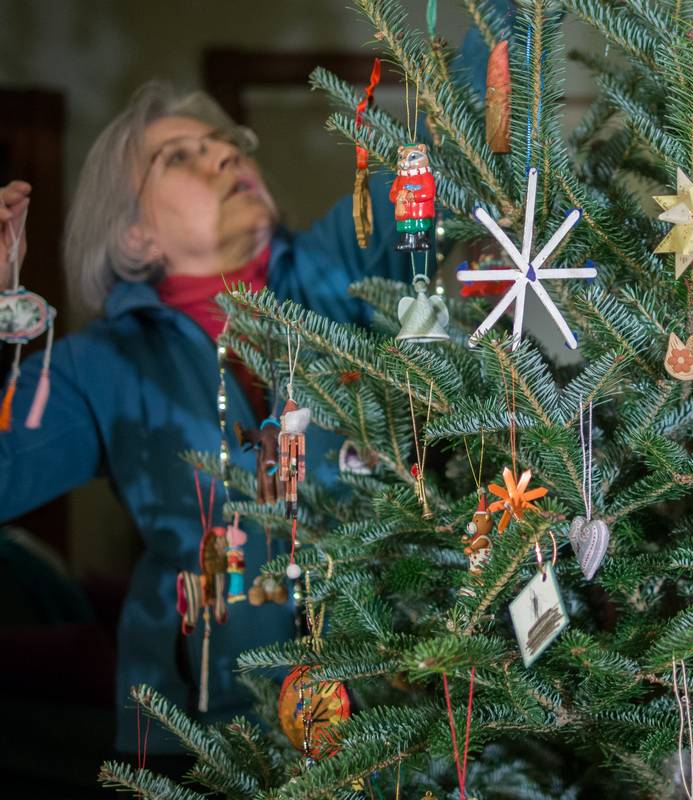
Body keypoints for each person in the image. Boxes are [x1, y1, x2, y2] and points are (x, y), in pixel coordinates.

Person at [0, 81, 410, 755]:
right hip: (196, 745)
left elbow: (460, 153)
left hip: (391, 716)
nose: (224, 156)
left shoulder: (339, 268)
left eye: (226, 144)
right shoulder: (97, 364)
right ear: (135, 233)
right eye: (181, 157)